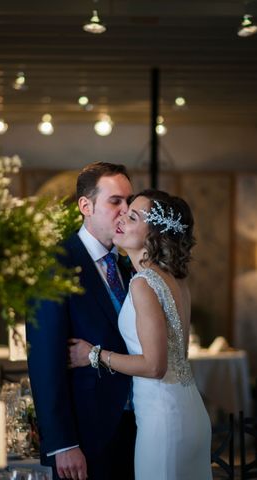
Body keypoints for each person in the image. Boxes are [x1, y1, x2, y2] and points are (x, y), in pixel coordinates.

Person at [68, 189, 212, 480]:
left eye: (132, 216)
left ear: (154, 235)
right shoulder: (176, 279)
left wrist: (92, 355)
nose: (121, 218)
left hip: (165, 420)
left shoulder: (143, 284)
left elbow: (155, 366)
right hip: (190, 410)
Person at [26, 162, 136, 480]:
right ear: (85, 206)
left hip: (136, 426)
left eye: (129, 202)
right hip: (86, 435)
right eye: (115, 201)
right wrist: (63, 443)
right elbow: (44, 361)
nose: (125, 211)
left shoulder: (127, 266)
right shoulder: (54, 263)